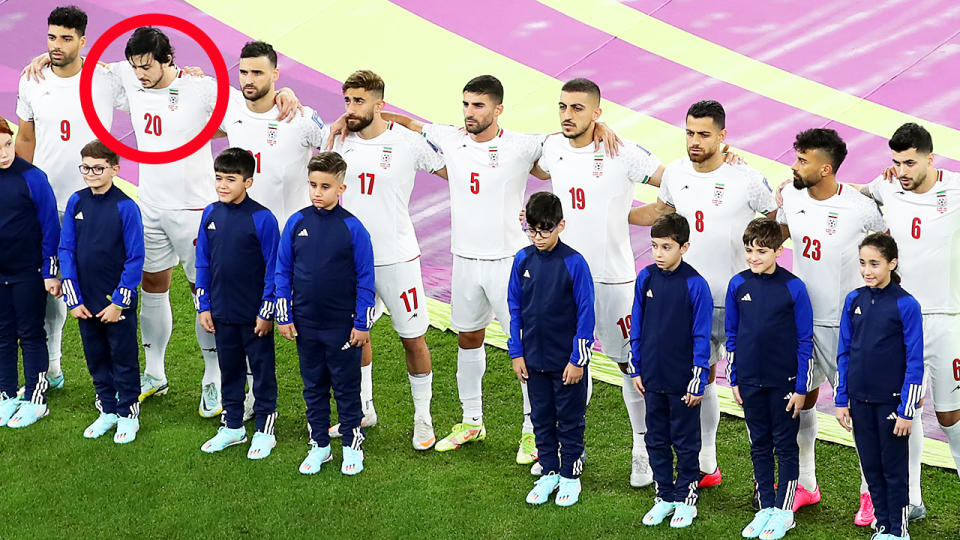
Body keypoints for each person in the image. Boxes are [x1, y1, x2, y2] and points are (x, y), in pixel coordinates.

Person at [22, 26, 300, 415]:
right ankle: (155, 373)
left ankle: (213, 378)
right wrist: (45, 62)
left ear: (168, 59)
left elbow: (251, 105)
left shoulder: (199, 88)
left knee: (202, 290)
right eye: (135, 67)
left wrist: (282, 92)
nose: (140, 75)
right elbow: (84, 68)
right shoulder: (128, 77)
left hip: (194, 210)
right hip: (149, 205)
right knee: (152, 285)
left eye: (147, 67)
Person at [370, 74, 619, 461]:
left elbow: (567, 135)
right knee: (467, 338)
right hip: (464, 260)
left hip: (509, 263)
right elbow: (408, 123)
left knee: (525, 346)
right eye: (466, 104)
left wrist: (599, 125)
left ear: (498, 109)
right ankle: (472, 422)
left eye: (479, 105)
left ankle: (531, 431)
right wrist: (353, 119)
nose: (470, 112)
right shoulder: (451, 138)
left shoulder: (521, 145)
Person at [629, 100, 779, 487]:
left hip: (740, 302)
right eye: (690, 133)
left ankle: (772, 476)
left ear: (723, 136)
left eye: (704, 134)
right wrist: (611, 212)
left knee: (751, 386)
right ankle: (707, 465)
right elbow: (661, 213)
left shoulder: (746, 178)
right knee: (702, 378)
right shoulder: (676, 173)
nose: (694, 141)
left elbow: (777, 224)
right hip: (688, 300)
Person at [532, 78, 664, 486]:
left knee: (629, 363)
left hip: (612, 279)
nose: (568, 115)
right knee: (568, 361)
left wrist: (632, 217)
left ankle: (643, 451)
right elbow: (529, 163)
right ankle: (569, 449)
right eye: (563, 107)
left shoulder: (621, 151)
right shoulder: (552, 147)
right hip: (564, 278)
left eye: (577, 108)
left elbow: (673, 184)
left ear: (597, 112)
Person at [331, 70, 446, 450]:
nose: (350, 109)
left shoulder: (408, 143)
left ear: (380, 104)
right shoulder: (340, 141)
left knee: (412, 339)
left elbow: (451, 165)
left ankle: (423, 420)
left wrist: (410, 122)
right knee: (354, 335)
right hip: (353, 261)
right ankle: (364, 409)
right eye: (347, 100)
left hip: (398, 260)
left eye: (359, 101)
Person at [776, 128, 886, 514]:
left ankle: (871, 492)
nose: (794, 165)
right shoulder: (790, 195)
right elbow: (777, 234)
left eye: (803, 160)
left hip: (847, 326)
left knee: (858, 410)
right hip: (802, 323)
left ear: (825, 169)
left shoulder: (860, 208)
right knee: (800, 399)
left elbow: (888, 250)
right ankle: (806, 483)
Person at [16, 6, 126, 389]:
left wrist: (186, 73)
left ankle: (121, 375)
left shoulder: (107, 78)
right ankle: (55, 366)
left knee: (101, 284)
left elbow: (156, 81)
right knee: (50, 283)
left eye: (66, 38)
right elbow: (26, 137)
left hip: (95, 202)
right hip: (46, 203)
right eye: (51, 38)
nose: (57, 45)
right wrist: (20, 187)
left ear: (83, 40)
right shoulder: (31, 79)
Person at [858, 123, 960, 505]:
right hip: (899, 320)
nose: (902, 171)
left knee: (951, 417)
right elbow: (856, 194)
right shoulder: (887, 186)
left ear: (931, 159)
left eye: (910, 163)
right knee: (907, 408)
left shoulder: (956, 188)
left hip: (946, 318)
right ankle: (911, 500)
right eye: (896, 162)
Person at [275, 152, 375, 475]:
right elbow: (282, 271)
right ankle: (319, 445)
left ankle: (351, 446)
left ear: (341, 188)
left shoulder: (354, 229)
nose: (317, 192)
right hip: (306, 326)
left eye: (325, 186)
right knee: (313, 386)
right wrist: (284, 314)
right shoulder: (296, 223)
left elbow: (366, 280)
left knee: (347, 388)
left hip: (342, 328)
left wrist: (362, 324)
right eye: (313, 185)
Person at [725, 218, 812, 539]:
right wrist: (733, 379)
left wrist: (801, 387)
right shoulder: (738, 285)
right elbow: (732, 335)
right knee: (759, 444)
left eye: (761, 251)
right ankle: (766, 507)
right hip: (749, 382)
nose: (753, 257)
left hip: (784, 384)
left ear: (778, 250)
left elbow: (805, 341)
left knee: (785, 446)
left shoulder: (794, 288)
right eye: (749, 250)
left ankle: (784, 511)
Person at [508, 191, 594, 507]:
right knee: (541, 417)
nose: (538, 237)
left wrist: (577, 360)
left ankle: (571, 476)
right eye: (532, 230)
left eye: (545, 230)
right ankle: (549, 471)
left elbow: (587, 314)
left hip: (566, 362)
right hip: (533, 360)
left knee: (570, 419)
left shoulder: (574, 263)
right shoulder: (522, 259)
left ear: (561, 226)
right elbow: (514, 307)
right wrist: (516, 353)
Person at [835, 233, 924, 540]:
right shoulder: (854, 300)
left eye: (874, 263)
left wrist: (906, 411)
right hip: (859, 401)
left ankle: (899, 531)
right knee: (871, 467)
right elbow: (844, 351)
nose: (867, 270)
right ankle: (883, 525)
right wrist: (841, 399)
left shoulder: (906, 305)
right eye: (862, 263)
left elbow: (915, 361)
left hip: (892, 404)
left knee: (893, 469)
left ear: (892, 263)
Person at [196, 148, 280, 459]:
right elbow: (202, 261)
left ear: (248, 182)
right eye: (218, 178)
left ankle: (265, 429)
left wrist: (266, 310)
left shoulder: (263, 219)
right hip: (220, 311)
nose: (222, 185)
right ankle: (232, 425)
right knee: (229, 369)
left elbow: (274, 268)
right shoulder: (210, 213)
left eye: (230, 180)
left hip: (254, 314)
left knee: (261, 369)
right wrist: (203, 304)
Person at [630, 213, 712, 529]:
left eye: (666, 247)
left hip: (682, 380)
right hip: (651, 376)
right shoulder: (646, 278)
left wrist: (697, 378)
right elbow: (637, 321)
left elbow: (701, 335)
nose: (658, 254)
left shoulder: (695, 285)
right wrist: (636, 365)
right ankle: (664, 495)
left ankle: (686, 498)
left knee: (685, 440)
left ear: (684, 247)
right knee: (656, 438)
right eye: (654, 246)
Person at [59, 140, 144, 444]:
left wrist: (120, 302)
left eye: (98, 168)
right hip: (85, 300)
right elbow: (66, 248)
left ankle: (128, 414)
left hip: (115, 304)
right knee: (95, 357)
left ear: (115, 169)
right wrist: (73, 298)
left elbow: (135, 259)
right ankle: (107, 409)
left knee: (123, 358)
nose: (91, 173)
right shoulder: (76, 202)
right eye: (86, 168)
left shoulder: (126, 207)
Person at [0, 114, 60, 428]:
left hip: (28, 272)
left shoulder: (33, 177)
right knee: (3, 335)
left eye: (8, 144)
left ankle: (36, 399)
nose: (6, 153)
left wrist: (50, 271)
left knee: (31, 334)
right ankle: (7, 393)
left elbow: (50, 227)